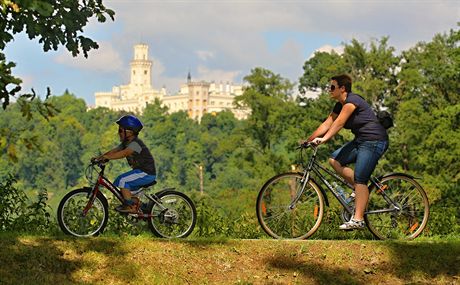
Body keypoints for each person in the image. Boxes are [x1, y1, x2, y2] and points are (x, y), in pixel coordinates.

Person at [305, 74, 389, 230]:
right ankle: (359, 191)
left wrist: (324, 140)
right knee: (334, 160)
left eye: (332, 87)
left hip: (374, 141)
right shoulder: (339, 105)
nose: (329, 90)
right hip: (360, 141)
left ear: (342, 88)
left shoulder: (352, 101)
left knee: (360, 179)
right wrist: (309, 140)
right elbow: (327, 124)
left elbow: (339, 123)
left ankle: (358, 220)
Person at [93, 115, 156, 213]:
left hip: (146, 173)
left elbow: (124, 153)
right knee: (121, 183)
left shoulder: (136, 144)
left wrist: (107, 158)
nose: (119, 133)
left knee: (123, 180)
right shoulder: (125, 143)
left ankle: (130, 207)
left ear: (129, 132)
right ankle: (138, 206)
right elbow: (114, 151)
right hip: (140, 172)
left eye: (120, 131)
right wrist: (100, 157)